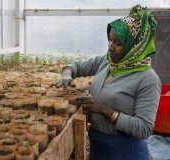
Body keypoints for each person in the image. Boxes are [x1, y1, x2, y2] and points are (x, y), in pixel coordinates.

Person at [51, 4, 161, 160]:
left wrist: (104, 110)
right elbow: (75, 66)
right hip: (98, 145)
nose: (110, 47)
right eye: (110, 40)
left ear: (134, 46)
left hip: (126, 150)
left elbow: (144, 128)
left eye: (118, 43)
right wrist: (67, 75)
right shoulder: (108, 61)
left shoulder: (147, 79)